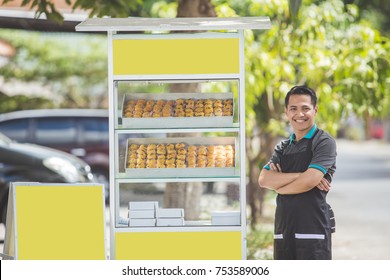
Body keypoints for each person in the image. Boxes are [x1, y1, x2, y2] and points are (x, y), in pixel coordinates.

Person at [258, 85, 337, 260]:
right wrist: (302, 175)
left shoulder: (324, 142)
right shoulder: (283, 146)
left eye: (305, 108)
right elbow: (264, 179)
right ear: (286, 112)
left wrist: (280, 187)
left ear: (315, 110)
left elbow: (310, 181)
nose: (299, 114)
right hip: (284, 229)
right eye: (293, 109)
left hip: (313, 229)